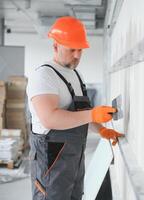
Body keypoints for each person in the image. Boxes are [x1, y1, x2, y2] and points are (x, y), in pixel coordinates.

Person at [26, 16, 123, 200]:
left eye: (80, 49)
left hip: (74, 163)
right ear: (55, 46)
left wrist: (101, 129)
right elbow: (50, 118)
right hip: (51, 167)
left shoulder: (76, 75)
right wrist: (92, 114)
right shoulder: (44, 76)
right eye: (72, 49)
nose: (78, 55)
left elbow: (81, 115)